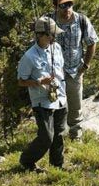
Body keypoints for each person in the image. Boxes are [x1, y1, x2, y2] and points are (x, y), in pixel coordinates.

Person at [17, 16, 67, 172]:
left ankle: (57, 166)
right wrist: (39, 82)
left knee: (58, 135)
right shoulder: (29, 57)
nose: (53, 38)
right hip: (41, 101)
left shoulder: (57, 48)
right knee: (46, 137)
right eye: (50, 35)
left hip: (60, 97)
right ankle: (26, 161)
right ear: (39, 35)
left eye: (54, 34)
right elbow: (21, 81)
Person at [47, 0, 99, 140]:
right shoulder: (48, 21)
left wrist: (85, 65)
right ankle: (56, 136)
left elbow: (92, 42)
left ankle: (76, 136)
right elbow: (39, 43)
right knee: (54, 104)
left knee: (75, 106)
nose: (67, 8)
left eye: (69, 4)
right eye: (63, 5)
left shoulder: (81, 20)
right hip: (53, 72)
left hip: (74, 71)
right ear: (55, 6)